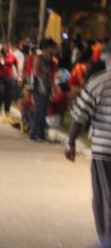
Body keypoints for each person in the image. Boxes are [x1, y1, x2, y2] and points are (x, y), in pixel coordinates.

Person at [66, 51, 111, 247]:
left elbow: (79, 116)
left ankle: (106, 239)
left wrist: (70, 142)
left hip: (105, 151)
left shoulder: (98, 82)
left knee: (105, 198)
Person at [30, 39, 57, 142]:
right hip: (40, 87)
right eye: (51, 48)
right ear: (46, 48)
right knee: (39, 111)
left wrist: (53, 88)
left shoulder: (51, 60)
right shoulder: (39, 58)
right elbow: (36, 72)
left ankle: (41, 133)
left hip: (47, 86)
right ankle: (35, 133)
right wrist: (45, 73)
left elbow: (52, 75)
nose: (52, 50)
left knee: (44, 111)